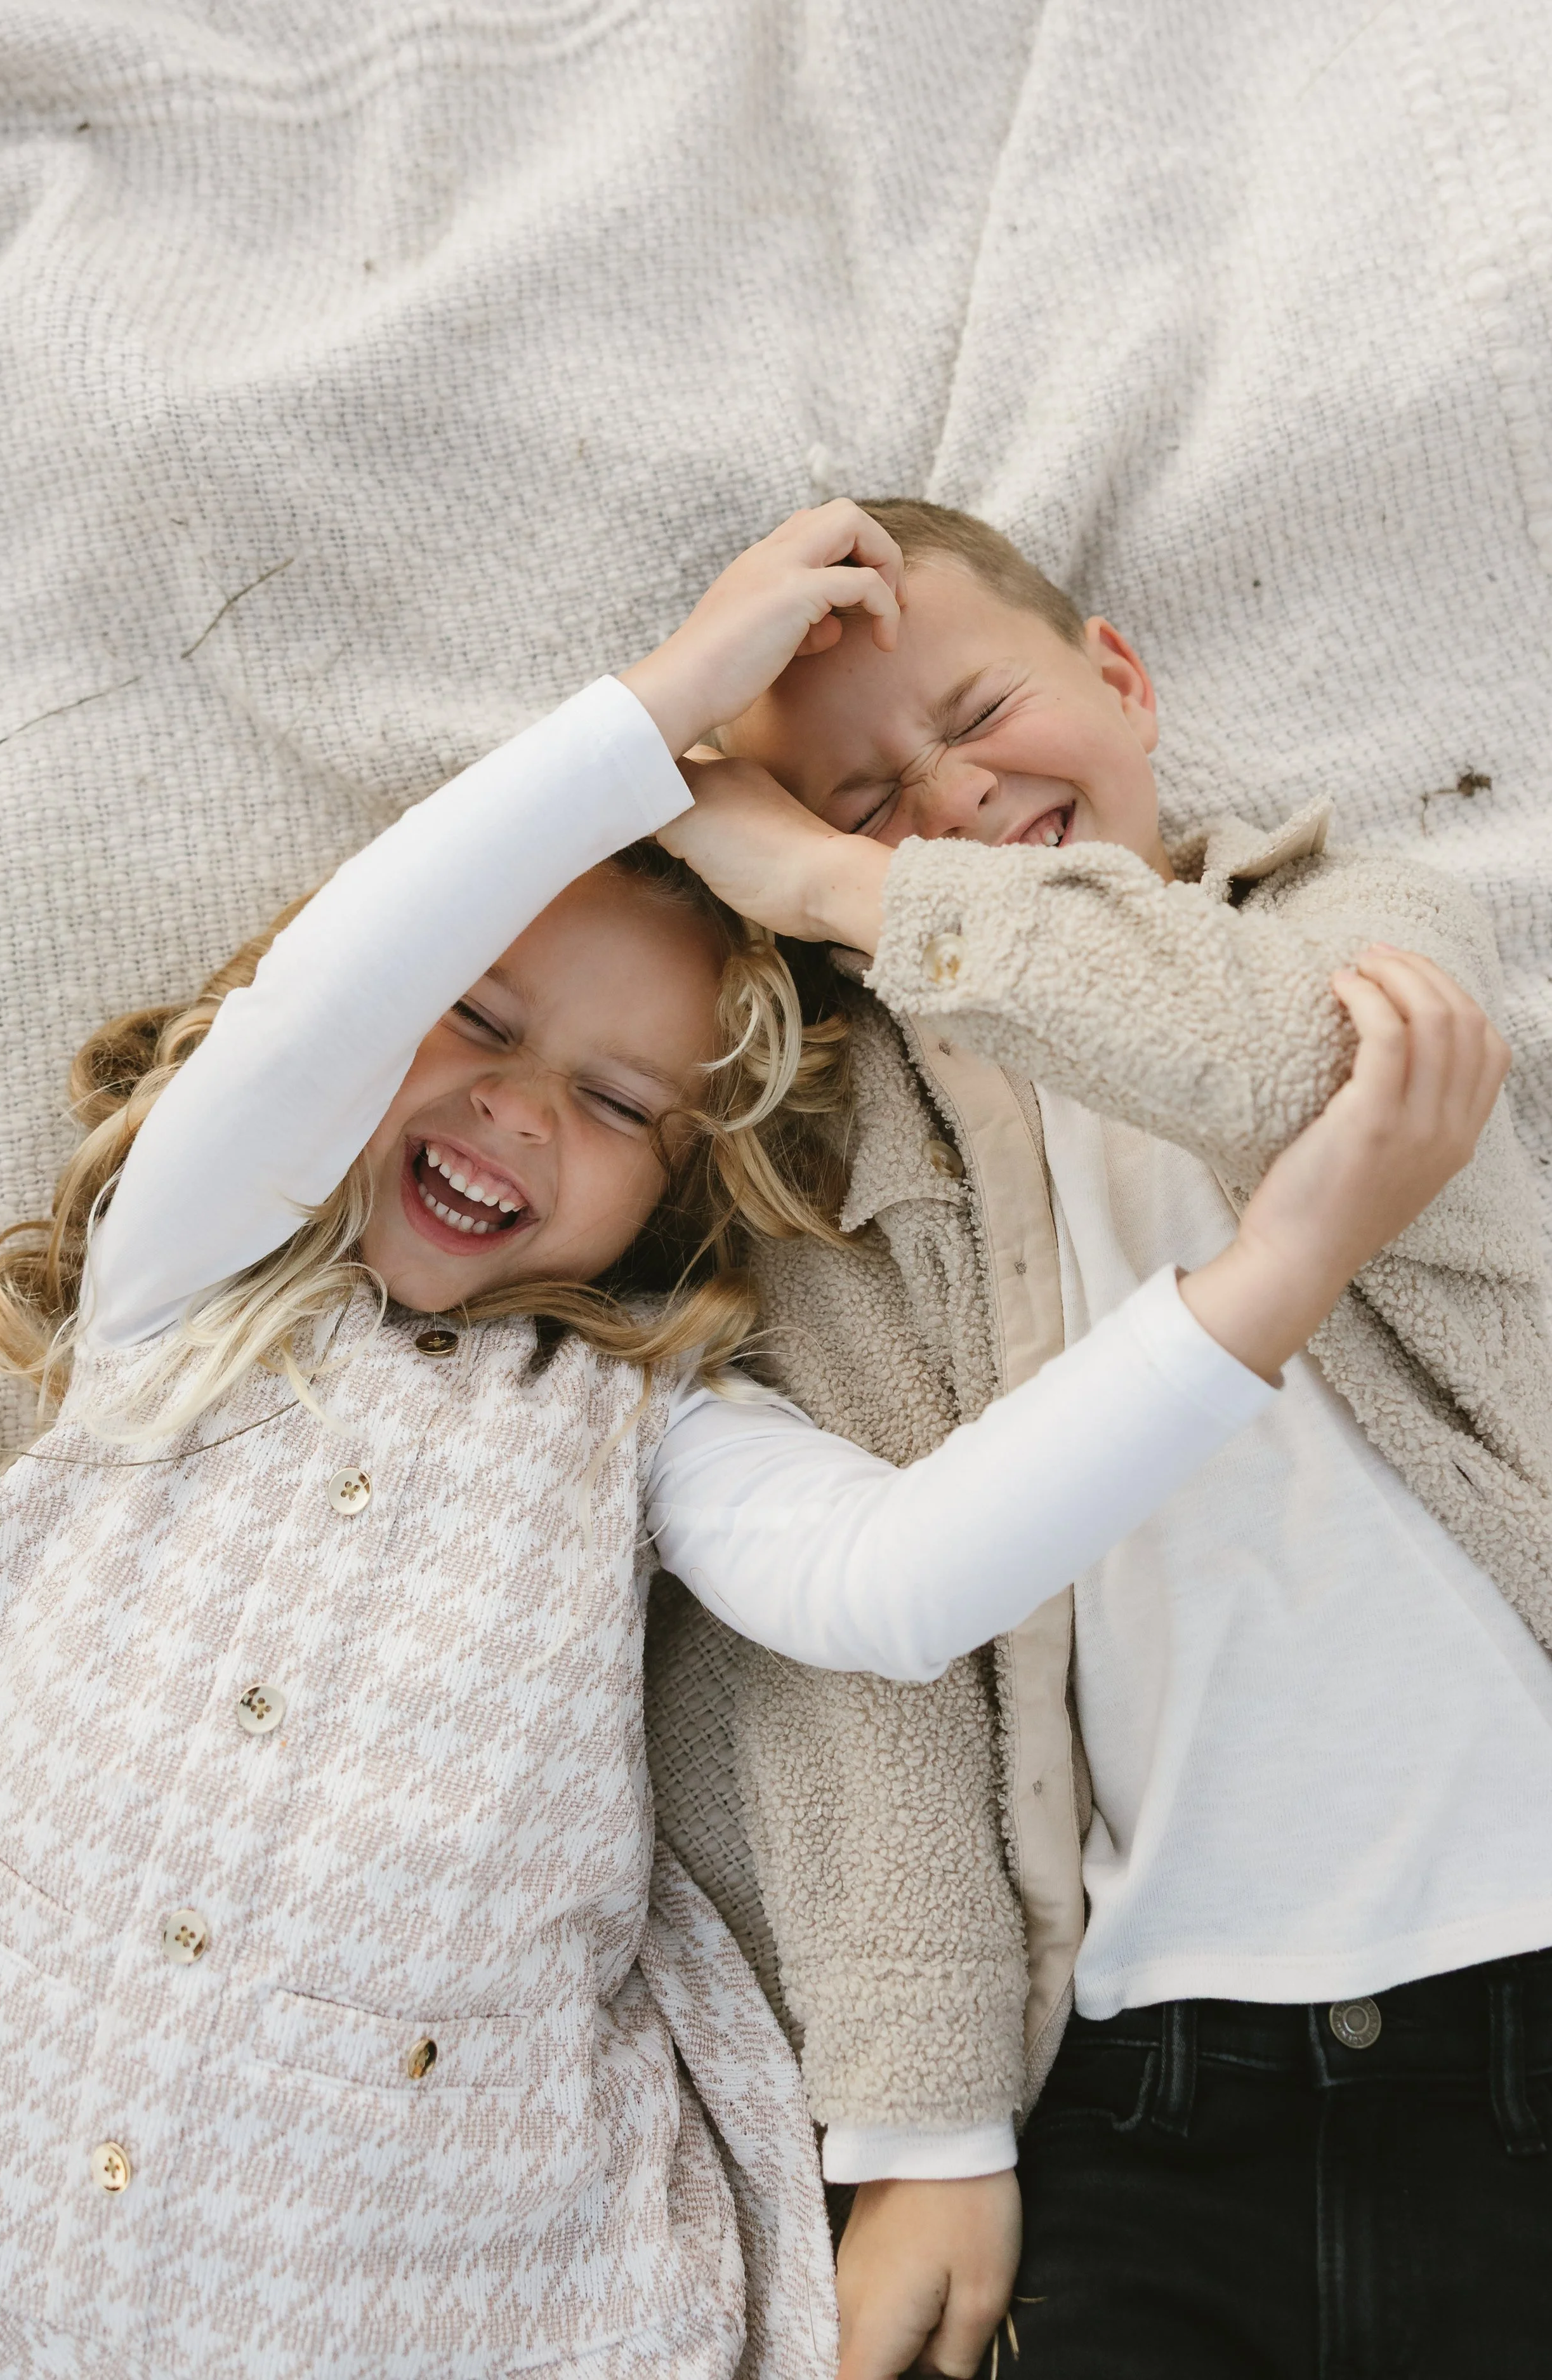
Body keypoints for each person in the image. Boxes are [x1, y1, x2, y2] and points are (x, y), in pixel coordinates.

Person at [0, 534, 1486, 2380]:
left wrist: (1271, 1279)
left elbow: (902, 1581)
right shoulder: (178, 1291)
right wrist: (663, 703)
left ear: (673, 1190)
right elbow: (319, 1005)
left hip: (431, 2258)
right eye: (476, 1019)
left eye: (619, 1105)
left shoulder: (644, 1427)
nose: (520, 1109)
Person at [652, 498, 1552, 2379]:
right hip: (1151, 2089)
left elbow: (1299, 1069)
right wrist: (919, 2123)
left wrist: (828, 877)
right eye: (859, 795)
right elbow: (855, 1657)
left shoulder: (1345, 918)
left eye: (978, 709)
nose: (947, 795)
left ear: (1123, 680)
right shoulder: (841, 1174)